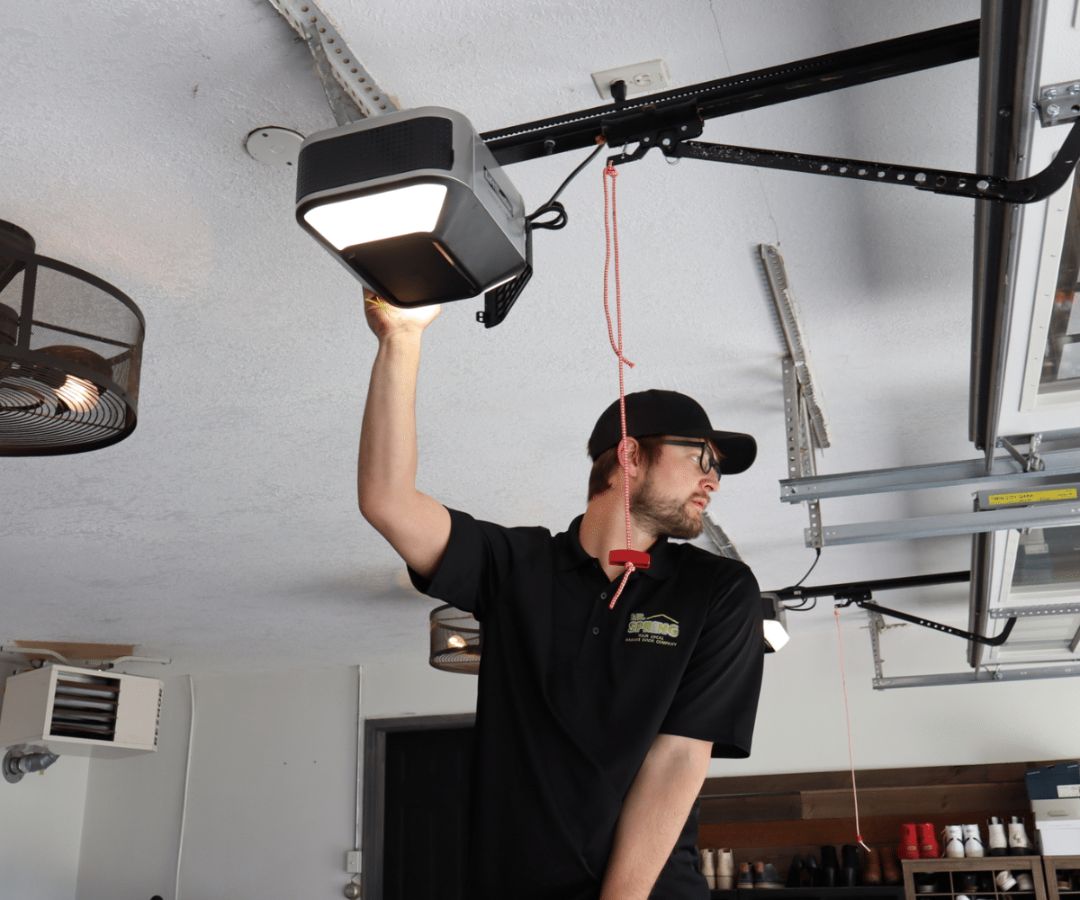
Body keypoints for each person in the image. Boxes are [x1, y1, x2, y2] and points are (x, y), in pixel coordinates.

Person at [358, 293, 765, 900]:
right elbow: (388, 501)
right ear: (630, 456)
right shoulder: (517, 567)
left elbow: (679, 757)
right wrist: (401, 338)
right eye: (699, 457)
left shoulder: (719, 589)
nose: (713, 478)